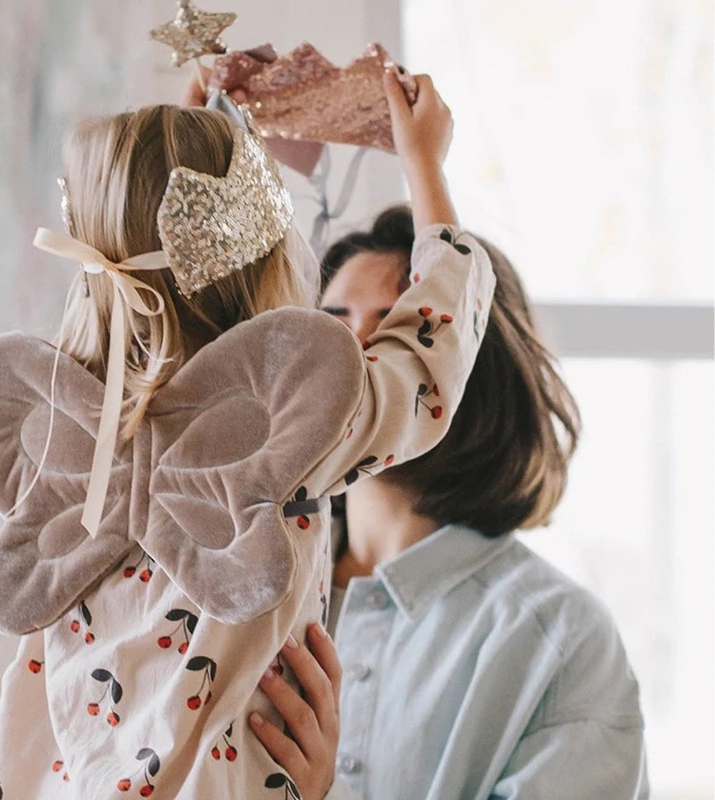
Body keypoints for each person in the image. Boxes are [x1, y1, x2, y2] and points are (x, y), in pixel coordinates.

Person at [0, 72, 494, 799]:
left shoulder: (66, 430)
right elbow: (427, 357)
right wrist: (423, 166)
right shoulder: (292, 428)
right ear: (268, 265)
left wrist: (190, 155)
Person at [258, 207, 650, 795]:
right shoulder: (244, 595)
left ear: (470, 369)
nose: (354, 358)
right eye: (331, 324)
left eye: (395, 331)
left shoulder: (561, 642)